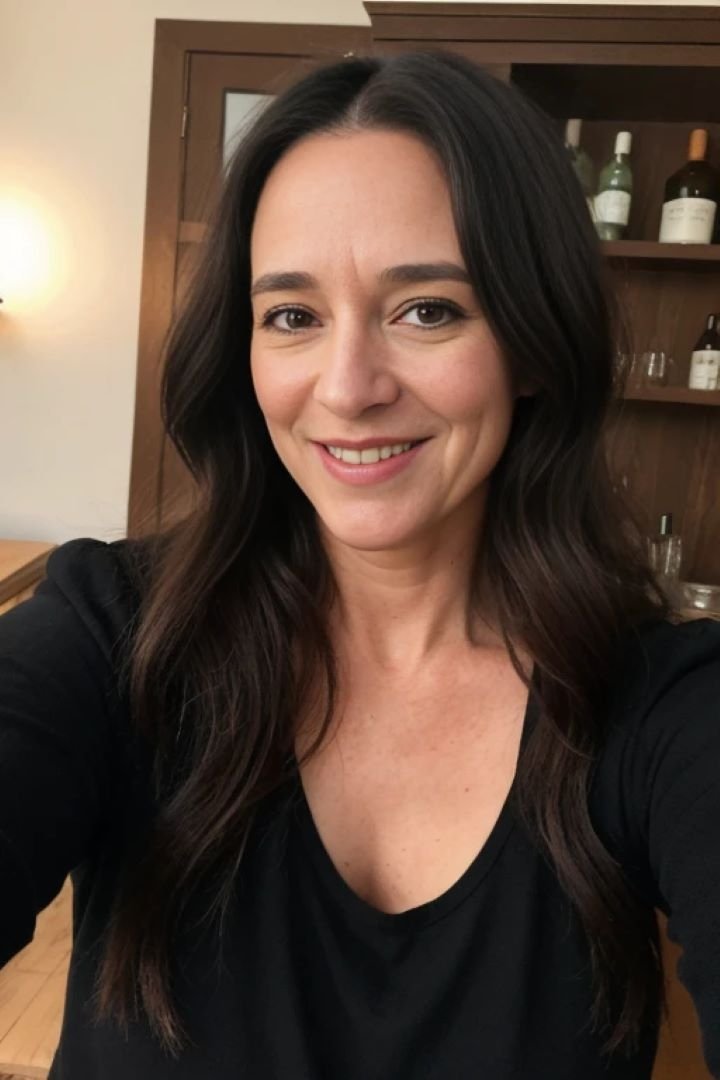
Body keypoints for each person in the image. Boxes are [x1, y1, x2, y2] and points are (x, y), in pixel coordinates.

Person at [0, 50, 718, 1080]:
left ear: (532, 339)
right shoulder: (109, 632)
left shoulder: (663, 704)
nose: (347, 388)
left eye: (427, 309)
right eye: (292, 317)